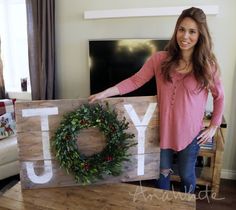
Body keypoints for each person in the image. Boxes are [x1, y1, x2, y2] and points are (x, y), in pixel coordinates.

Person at [88, 7, 224, 193]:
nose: (185, 36)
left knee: (186, 175)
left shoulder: (208, 65)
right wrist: (106, 93)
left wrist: (214, 126)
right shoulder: (160, 59)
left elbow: (219, 96)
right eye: (181, 29)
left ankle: (186, 204)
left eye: (192, 31)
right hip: (163, 133)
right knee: (162, 174)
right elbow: (135, 81)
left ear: (201, 35)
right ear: (176, 30)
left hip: (191, 134)